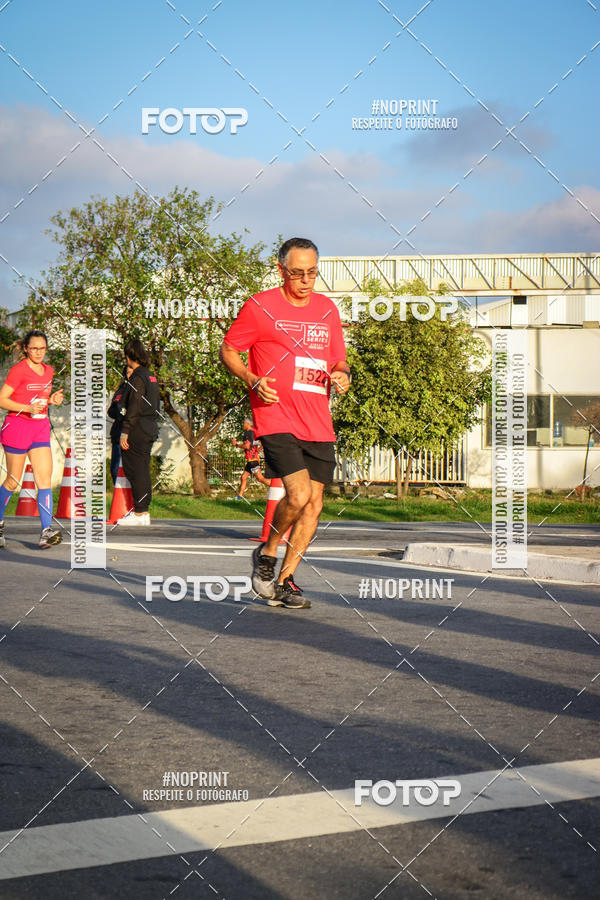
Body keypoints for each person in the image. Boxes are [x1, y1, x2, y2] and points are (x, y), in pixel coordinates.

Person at [220, 237, 351, 609]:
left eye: (312, 272)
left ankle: (285, 578)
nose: (306, 280)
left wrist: (343, 376)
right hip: (275, 414)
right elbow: (228, 349)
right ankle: (268, 552)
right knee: (298, 494)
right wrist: (251, 378)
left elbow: (338, 361)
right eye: (298, 273)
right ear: (281, 270)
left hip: (318, 420)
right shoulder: (261, 306)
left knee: (314, 505)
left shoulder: (327, 310)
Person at [0, 330, 64, 549]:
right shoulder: (19, 371)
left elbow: (41, 398)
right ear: (26, 348)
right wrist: (27, 408)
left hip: (39, 428)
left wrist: (52, 400)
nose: (39, 352)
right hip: (16, 428)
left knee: (44, 479)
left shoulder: (49, 371)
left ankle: (46, 531)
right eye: (34, 348)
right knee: (13, 481)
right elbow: (2, 399)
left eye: (43, 348)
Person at [117, 339, 160, 526]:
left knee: (135, 469)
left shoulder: (137, 377)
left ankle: (140, 512)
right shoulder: (151, 376)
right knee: (142, 468)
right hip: (150, 426)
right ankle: (143, 511)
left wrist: (125, 431)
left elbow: (134, 406)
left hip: (137, 428)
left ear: (128, 356)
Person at [232, 417, 271, 499]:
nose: (243, 425)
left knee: (260, 478)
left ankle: (279, 487)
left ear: (247, 424)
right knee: (243, 477)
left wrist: (236, 445)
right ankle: (239, 496)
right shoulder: (254, 433)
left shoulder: (248, 433)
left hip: (253, 461)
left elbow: (247, 446)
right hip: (252, 459)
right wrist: (257, 450)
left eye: (243, 423)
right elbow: (261, 442)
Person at [107, 365, 132, 486]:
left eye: (133, 372)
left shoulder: (140, 390)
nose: (130, 374)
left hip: (133, 434)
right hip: (118, 432)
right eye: (127, 372)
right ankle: (118, 494)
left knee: (131, 467)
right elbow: (111, 411)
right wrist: (120, 411)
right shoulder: (121, 390)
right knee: (116, 467)